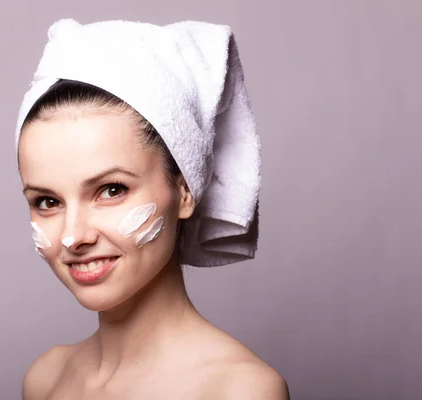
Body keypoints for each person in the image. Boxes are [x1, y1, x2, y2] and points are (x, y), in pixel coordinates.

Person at [16, 19, 289, 400]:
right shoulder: (45, 379)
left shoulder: (238, 391)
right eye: (48, 202)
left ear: (184, 188)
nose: (73, 236)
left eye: (112, 190)